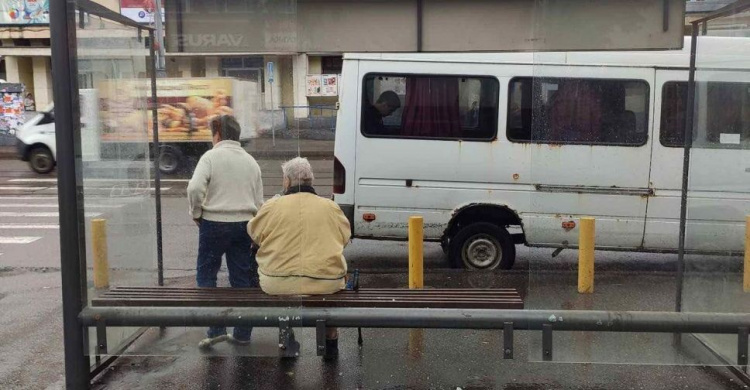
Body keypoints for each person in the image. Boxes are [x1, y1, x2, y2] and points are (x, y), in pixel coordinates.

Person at [248, 157, 351, 359]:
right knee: (330, 297)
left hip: (277, 283)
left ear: (287, 181)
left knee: (284, 295)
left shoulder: (273, 206)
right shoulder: (330, 207)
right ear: (311, 181)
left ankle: (287, 340)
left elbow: (254, 233)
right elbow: (344, 238)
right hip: (325, 283)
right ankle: (331, 345)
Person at [187, 115, 264, 349]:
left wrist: (196, 213)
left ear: (217, 135)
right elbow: (259, 202)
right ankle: (242, 333)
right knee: (241, 279)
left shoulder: (210, 157)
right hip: (243, 226)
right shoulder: (251, 161)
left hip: (213, 224)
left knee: (207, 276)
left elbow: (194, 188)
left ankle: (216, 330)